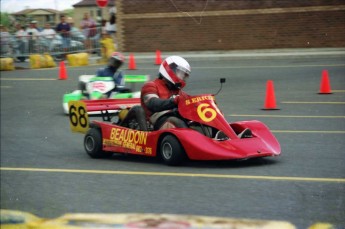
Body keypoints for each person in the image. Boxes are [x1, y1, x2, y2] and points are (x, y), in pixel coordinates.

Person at [140, 56, 191, 130]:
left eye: (184, 76)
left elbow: (191, 102)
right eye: (181, 74)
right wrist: (174, 101)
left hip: (176, 117)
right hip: (154, 123)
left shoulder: (179, 92)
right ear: (170, 70)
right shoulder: (150, 85)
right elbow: (152, 103)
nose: (182, 78)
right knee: (175, 122)